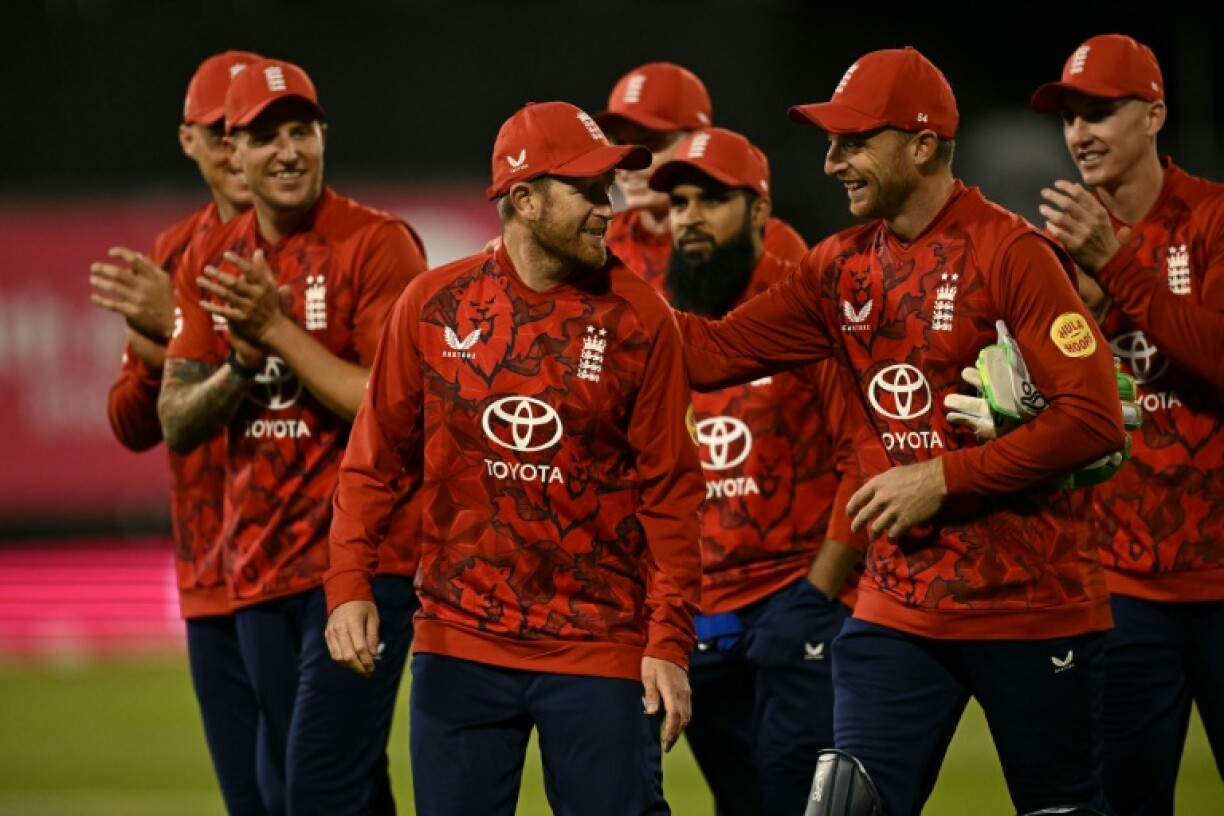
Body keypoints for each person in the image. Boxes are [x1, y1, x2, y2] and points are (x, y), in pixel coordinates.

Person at [673, 47, 1128, 816]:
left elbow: (1094, 419)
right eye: (831, 143)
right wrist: (595, 279)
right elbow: (708, 353)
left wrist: (941, 478)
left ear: (921, 145)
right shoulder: (838, 265)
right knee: (843, 805)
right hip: (898, 604)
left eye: (854, 142)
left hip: (1031, 602)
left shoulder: (1011, 253)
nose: (831, 162)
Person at [323, 100, 705, 816]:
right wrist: (349, 586)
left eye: (610, 189)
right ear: (524, 200)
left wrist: (670, 641)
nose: (609, 208)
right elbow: (374, 463)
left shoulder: (642, 320)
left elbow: (672, 495)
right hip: (459, 645)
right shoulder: (432, 306)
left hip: (600, 647)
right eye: (588, 191)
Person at [157, 57, 428, 815]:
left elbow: (392, 405)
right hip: (257, 569)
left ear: (323, 137)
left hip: (362, 565)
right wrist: (242, 362)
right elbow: (175, 421)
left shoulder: (377, 245)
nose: (288, 150)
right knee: (338, 785)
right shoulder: (210, 259)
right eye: (265, 136)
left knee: (315, 790)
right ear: (232, 154)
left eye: (301, 131)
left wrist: (274, 331)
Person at [646, 126, 866, 815]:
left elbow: (861, 458)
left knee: (800, 804)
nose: (690, 218)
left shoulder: (802, 309)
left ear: (761, 211)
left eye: (711, 199)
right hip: (700, 617)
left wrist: (814, 598)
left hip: (792, 608)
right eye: (679, 202)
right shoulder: (665, 313)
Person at [1030, 33, 1224, 814]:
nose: (1080, 133)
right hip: (1119, 587)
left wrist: (1116, 266)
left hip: (1221, 576)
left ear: (1154, 115)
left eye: (1101, 112)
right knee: (1124, 802)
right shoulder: (1053, 251)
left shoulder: (1213, 219)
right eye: (1071, 116)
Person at [87, 49, 268, 816]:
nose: (233, 148)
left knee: (328, 791)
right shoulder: (172, 254)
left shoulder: (305, 245)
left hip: (302, 568)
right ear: (188, 141)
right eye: (217, 131)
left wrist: (183, 326)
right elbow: (132, 422)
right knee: (250, 799)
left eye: (247, 129)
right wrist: (162, 346)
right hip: (210, 573)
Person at [593, 61, 810, 289]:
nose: (630, 165)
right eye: (619, 144)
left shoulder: (764, 243)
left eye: (650, 144)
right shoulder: (600, 241)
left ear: (698, 142)